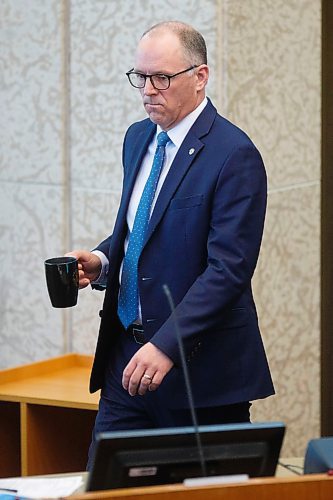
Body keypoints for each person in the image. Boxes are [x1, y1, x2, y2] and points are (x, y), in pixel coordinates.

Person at [68, 21, 274, 466]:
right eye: (140, 77)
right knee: (102, 489)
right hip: (126, 361)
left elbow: (229, 269)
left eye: (162, 77)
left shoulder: (234, 154)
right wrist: (104, 259)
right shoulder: (138, 137)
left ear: (200, 76)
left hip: (199, 372)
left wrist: (167, 345)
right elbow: (145, 228)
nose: (147, 90)